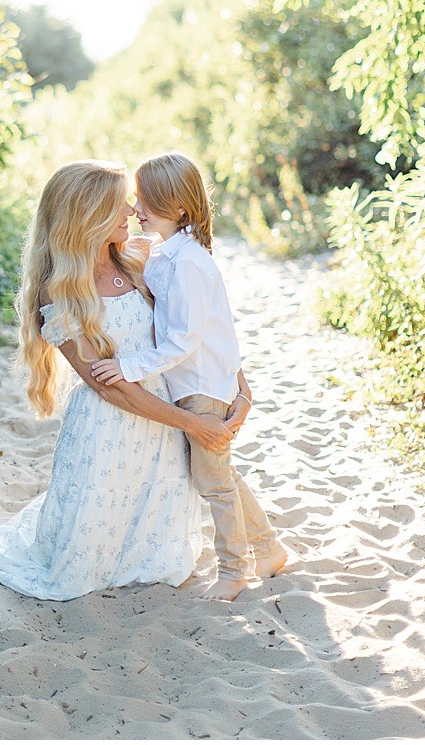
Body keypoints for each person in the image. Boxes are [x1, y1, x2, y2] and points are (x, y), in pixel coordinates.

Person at [0, 160, 229, 601]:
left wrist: (240, 389)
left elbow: (201, 325)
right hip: (109, 432)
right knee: (83, 563)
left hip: (163, 428)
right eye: (119, 204)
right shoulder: (59, 291)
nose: (133, 210)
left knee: (162, 560)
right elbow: (106, 385)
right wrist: (192, 424)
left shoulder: (141, 257)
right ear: (88, 216)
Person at [91, 151, 289, 601]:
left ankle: (235, 571)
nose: (135, 210)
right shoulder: (168, 256)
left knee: (213, 482)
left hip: (200, 389)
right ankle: (269, 548)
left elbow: (183, 341)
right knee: (222, 474)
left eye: (147, 201)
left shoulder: (189, 265)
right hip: (193, 384)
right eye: (137, 199)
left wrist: (127, 367)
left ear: (178, 207)